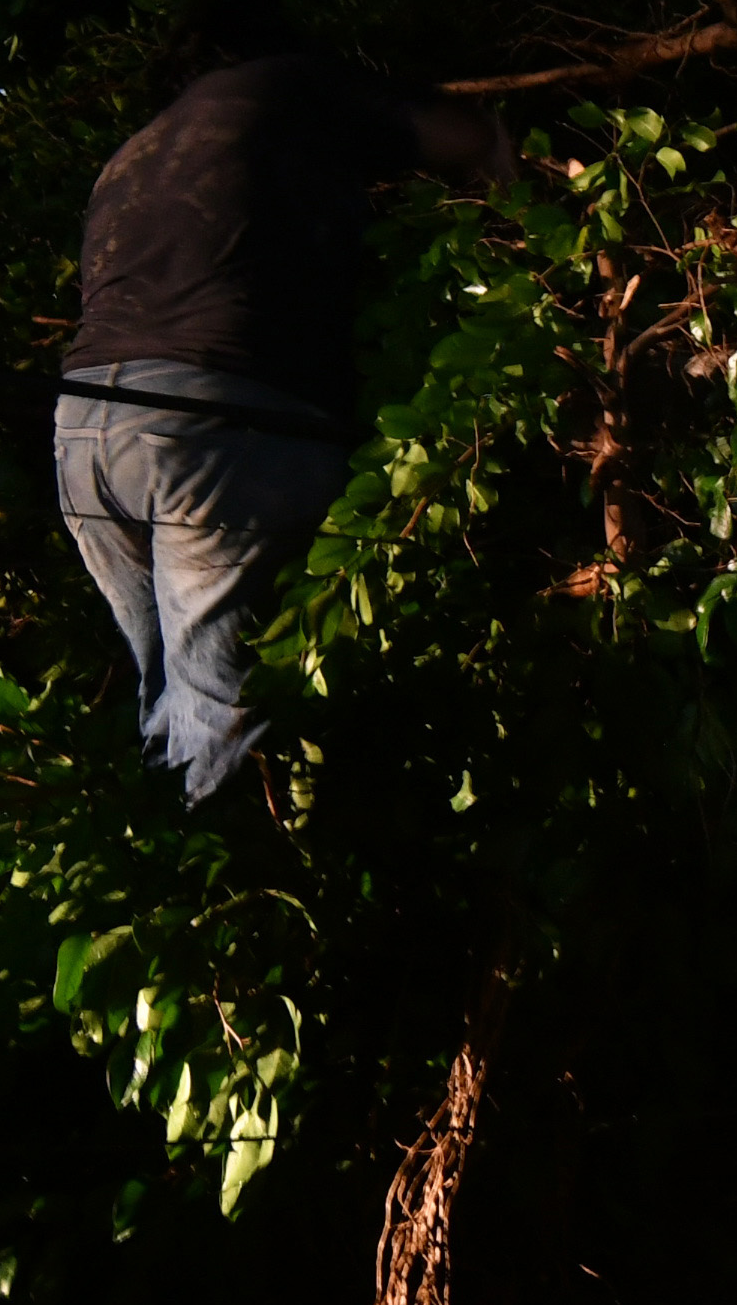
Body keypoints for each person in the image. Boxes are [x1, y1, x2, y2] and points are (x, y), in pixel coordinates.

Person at [58, 45, 510, 807]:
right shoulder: (289, 85)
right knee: (223, 719)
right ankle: (229, 892)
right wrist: (505, 176)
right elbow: (462, 136)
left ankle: (155, 859)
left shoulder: (135, 152)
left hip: (85, 425)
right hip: (220, 420)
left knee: (170, 701)